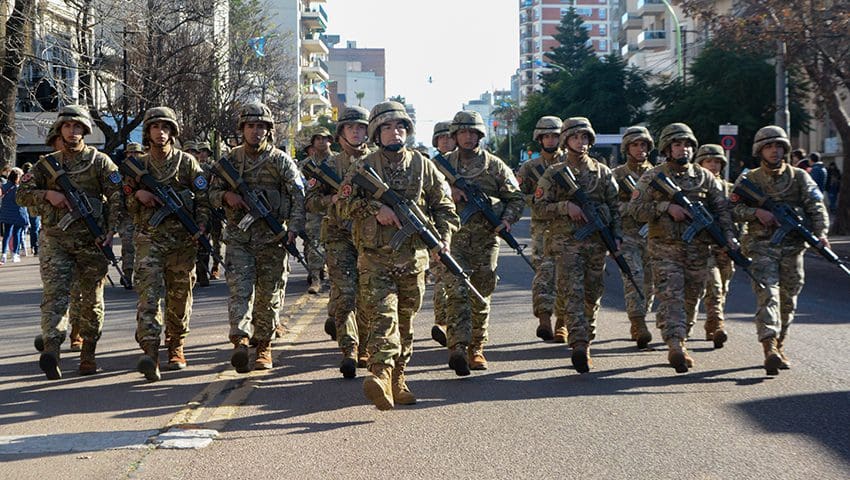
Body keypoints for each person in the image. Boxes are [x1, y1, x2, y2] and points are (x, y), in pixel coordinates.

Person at [337, 100, 458, 409]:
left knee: (405, 322)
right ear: (377, 134)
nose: (395, 133)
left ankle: (398, 378)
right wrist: (376, 208)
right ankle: (379, 374)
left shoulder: (423, 166)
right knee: (382, 317)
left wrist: (442, 239)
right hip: (375, 258)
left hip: (413, 260)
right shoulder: (362, 168)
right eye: (388, 128)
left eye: (401, 127)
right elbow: (342, 205)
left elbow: (445, 207)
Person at [17, 105, 123, 379]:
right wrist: (47, 195)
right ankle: (52, 349)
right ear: (60, 130)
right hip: (56, 241)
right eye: (68, 126)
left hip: (91, 241)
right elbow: (21, 195)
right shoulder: (47, 165)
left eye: (78, 127)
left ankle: (88, 352)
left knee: (91, 300)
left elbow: (116, 197)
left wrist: (110, 231)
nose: (73, 132)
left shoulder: (99, 162)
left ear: (85, 131)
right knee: (54, 296)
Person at [628, 123, 736, 373]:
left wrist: (729, 238)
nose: (683, 149)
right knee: (670, 297)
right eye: (677, 144)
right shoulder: (653, 176)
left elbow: (722, 212)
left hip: (698, 251)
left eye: (687, 144)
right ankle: (674, 344)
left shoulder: (704, 177)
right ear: (667, 148)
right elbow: (635, 209)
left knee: (691, 299)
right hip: (665, 249)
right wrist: (666, 208)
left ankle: (682, 338)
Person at [209, 102, 305, 373]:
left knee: (269, 294)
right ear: (242, 129)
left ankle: (263, 345)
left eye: (261, 126)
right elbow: (210, 194)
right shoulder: (230, 162)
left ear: (269, 130)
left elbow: (298, 195)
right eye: (250, 126)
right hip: (239, 238)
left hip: (272, 240)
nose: (256, 131)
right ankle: (240, 340)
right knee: (240, 291)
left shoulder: (280, 161)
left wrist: (293, 230)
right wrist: (227, 196)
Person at [731, 126, 829, 375]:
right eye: (768, 147)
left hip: (793, 248)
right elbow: (732, 210)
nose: (774, 151)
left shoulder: (799, 177)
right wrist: (757, 212)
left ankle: (779, 342)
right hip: (762, 247)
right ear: (759, 150)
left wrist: (821, 234)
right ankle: (769, 346)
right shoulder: (749, 180)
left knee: (788, 300)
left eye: (778, 147)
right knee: (768, 294)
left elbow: (816, 207)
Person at [125, 106, 210, 382]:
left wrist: (200, 226)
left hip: (182, 242)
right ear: (148, 132)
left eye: (165, 127)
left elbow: (203, 199)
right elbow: (123, 202)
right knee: (149, 296)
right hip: (149, 239)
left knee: (179, 296)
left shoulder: (186, 163)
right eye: (154, 128)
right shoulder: (140, 166)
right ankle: (151, 349)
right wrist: (138, 194)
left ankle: (176, 344)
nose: (160, 133)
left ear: (172, 131)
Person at [437, 110, 524, 375]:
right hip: (453, 240)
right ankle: (458, 348)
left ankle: (477, 346)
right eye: (462, 132)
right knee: (457, 292)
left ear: (480, 136)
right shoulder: (440, 166)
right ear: (454, 135)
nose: (467, 137)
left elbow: (517, 198)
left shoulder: (494, 165)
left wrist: (506, 220)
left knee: (481, 294)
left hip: (487, 240)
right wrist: (448, 191)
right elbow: (424, 196)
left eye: (472, 132)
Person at [535, 117, 621, 373]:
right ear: (566, 140)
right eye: (575, 138)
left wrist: (616, 237)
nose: (580, 143)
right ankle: (579, 343)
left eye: (584, 138)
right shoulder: (555, 173)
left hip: (596, 244)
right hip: (566, 244)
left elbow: (616, 208)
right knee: (572, 292)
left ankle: (587, 335)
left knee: (592, 293)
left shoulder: (603, 172)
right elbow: (539, 207)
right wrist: (565, 206)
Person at [305, 105, 372, 378]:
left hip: (370, 239)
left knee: (367, 295)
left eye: (361, 128)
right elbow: (309, 202)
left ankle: (366, 345)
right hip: (338, 236)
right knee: (345, 294)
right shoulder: (327, 167)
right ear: (341, 132)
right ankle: (350, 349)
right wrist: (330, 200)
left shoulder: (378, 162)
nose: (356, 132)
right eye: (350, 127)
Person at [516, 116, 564, 342]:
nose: (551, 140)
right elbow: (518, 195)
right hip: (542, 228)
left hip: (569, 229)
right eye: (547, 136)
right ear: (539, 139)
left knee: (566, 276)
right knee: (544, 274)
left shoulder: (572, 163)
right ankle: (544, 319)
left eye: (555, 135)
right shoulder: (529, 168)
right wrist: (537, 201)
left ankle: (562, 323)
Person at [611, 126, 656, 349]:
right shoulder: (617, 175)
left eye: (644, 145)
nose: (640, 149)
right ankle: (638, 323)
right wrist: (632, 207)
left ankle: (641, 317)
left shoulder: (658, 174)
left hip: (654, 235)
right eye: (635, 145)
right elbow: (609, 206)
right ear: (626, 148)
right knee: (634, 277)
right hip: (628, 235)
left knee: (650, 282)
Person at [695, 144, 733, 348]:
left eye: (717, 161)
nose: (713, 165)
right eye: (709, 161)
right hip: (702, 245)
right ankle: (717, 325)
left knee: (723, 287)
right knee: (714, 285)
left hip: (726, 247)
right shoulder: (695, 190)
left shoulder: (730, 188)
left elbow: (739, 214)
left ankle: (712, 323)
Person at [427, 120, 456, 347]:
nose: (446, 141)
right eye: (441, 138)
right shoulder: (428, 165)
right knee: (441, 278)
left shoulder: (473, 163)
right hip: (437, 231)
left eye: (449, 137)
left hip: (469, 233)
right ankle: (443, 323)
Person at [299, 128, 334, 295]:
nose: (321, 141)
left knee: (335, 244)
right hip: (314, 209)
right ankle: (315, 278)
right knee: (314, 243)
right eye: (317, 138)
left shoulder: (338, 161)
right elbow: (301, 188)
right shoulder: (306, 165)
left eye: (324, 138)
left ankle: (335, 277)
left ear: (330, 141)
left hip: (335, 209)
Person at [196, 141, 224, 280]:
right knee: (203, 239)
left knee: (217, 239)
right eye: (199, 151)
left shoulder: (213, 168)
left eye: (204, 151)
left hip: (214, 208)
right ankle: (202, 270)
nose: (201, 153)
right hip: (200, 208)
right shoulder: (193, 167)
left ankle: (216, 266)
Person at [118, 142, 144, 289]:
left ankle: (142, 275)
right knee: (128, 246)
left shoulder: (147, 170)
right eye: (130, 153)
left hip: (144, 216)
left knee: (143, 247)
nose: (133, 156)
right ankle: (127, 274)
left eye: (137, 153)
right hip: (127, 215)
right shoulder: (120, 173)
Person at [0, 167, 29, 264]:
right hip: (18, 213)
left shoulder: (4, 186)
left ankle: (3, 254)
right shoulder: (19, 188)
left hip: (6, 213)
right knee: (17, 233)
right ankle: (15, 254)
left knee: (7, 234)